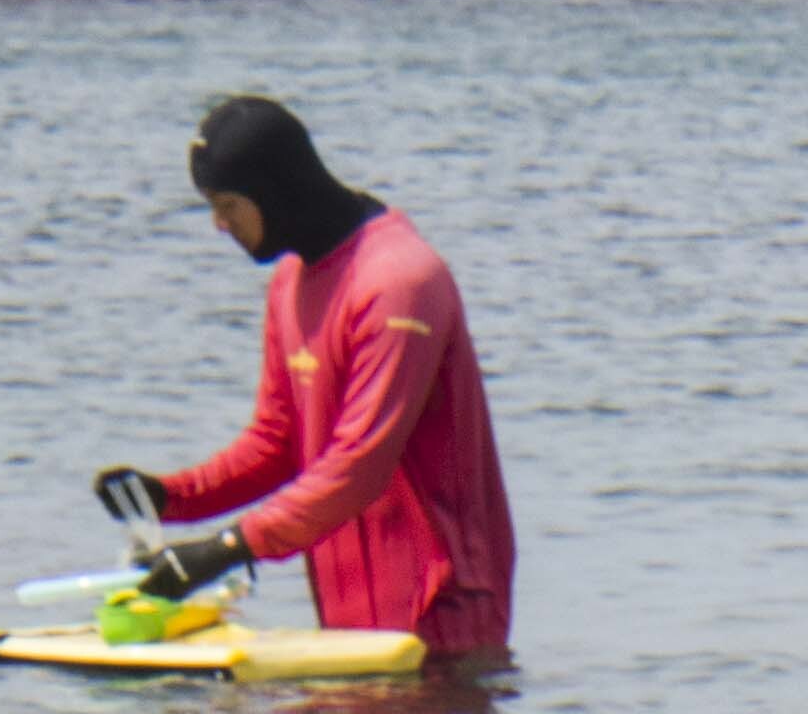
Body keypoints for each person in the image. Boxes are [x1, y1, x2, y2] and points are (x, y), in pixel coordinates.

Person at [92, 95, 517, 656]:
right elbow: (279, 443)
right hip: (350, 620)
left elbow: (359, 465)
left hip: (441, 616)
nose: (219, 225)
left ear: (274, 192)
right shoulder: (292, 281)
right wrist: (170, 497)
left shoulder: (397, 282)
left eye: (228, 205)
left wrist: (227, 547)